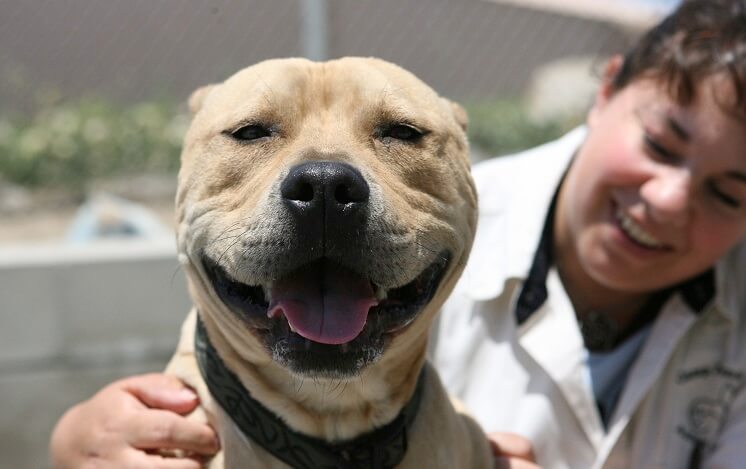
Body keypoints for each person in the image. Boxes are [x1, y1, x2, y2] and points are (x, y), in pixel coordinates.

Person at [50, 0, 746, 467]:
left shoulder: (437, 221)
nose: (327, 176)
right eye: (253, 133)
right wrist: (72, 444)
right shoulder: (150, 439)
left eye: (403, 135)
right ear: (606, 90)